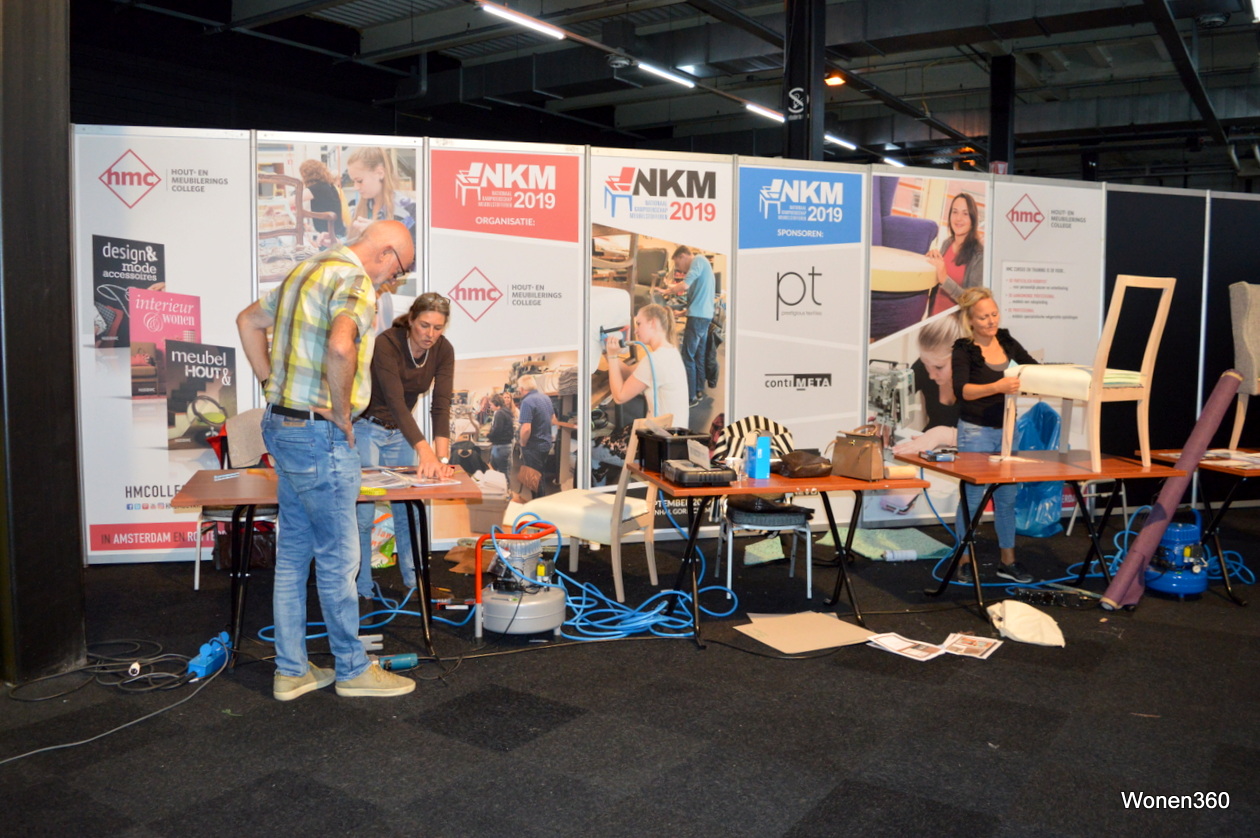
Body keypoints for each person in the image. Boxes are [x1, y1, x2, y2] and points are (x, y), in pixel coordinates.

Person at [236, 219, 417, 701]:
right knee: (340, 557)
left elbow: (247, 321)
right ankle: (352, 668)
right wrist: (340, 412)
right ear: (386, 253)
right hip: (319, 436)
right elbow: (341, 346)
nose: (392, 280)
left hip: (282, 426)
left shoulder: (306, 269)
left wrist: (270, 384)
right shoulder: (354, 280)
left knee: (294, 555)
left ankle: (291, 670)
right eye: (399, 270)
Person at [354, 292, 456, 599]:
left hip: (401, 433)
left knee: (409, 509)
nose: (430, 334)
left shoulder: (443, 350)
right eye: (424, 325)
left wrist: (441, 459)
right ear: (411, 320)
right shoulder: (386, 344)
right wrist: (425, 452)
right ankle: (361, 587)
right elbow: (397, 403)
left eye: (437, 327)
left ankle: (415, 581)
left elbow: (441, 406)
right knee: (363, 512)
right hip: (366, 428)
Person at [951, 287, 1038, 584]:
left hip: (1008, 432)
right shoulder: (963, 349)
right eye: (983, 317)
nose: (991, 321)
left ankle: (1008, 561)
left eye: (994, 314)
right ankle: (964, 560)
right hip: (975, 432)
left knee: (1007, 499)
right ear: (970, 320)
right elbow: (962, 390)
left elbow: (1032, 369)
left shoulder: (1007, 341)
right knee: (973, 500)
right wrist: (998, 386)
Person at [603, 303, 690, 425]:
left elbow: (619, 397)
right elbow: (628, 372)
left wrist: (612, 356)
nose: (636, 331)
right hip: (675, 430)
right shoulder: (670, 351)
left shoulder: (655, 360)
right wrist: (608, 352)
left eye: (639, 324)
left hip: (662, 434)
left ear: (652, 323)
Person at [893, 312, 963, 456]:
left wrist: (944, 435)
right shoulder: (922, 367)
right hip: (930, 445)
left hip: (973, 456)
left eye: (939, 367)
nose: (931, 375)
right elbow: (898, 394)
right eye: (926, 364)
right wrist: (886, 414)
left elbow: (999, 436)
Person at [664, 245, 715, 408]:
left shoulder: (698, 260)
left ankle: (690, 397)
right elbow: (699, 299)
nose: (680, 269)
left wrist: (668, 291)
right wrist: (682, 312)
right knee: (698, 355)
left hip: (698, 318)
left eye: (678, 264)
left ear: (683, 256)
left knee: (688, 356)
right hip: (703, 317)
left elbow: (685, 285)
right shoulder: (701, 265)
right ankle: (699, 390)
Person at [926, 192, 983, 312]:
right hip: (934, 318)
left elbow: (973, 303)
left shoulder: (979, 255)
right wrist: (932, 261)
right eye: (955, 212)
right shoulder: (947, 243)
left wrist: (944, 279)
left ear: (973, 219)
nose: (958, 218)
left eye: (965, 213)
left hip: (955, 323)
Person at [346, 147, 417, 235]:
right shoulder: (360, 208)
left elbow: (409, 243)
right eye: (353, 181)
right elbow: (354, 241)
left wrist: (379, 231)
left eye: (359, 181)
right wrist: (337, 242)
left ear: (380, 173)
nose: (355, 187)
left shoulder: (409, 210)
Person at [513, 373, 554, 503]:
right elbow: (553, 420)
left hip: (533, 446)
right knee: (539, 475)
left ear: (521, 388)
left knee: (534, 478)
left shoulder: (527, 401)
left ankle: (538, 504)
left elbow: (526, 429)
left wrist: (522, 443)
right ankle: (539, 503)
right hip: (545, 443)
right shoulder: (546, 398)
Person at [299, 158, 346, 246]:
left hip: (331, 238)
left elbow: (294, 199)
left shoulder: (317, 188)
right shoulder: (328, 186)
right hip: (338, 233)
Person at [487, 393, 515, 474]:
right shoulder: (506, 411)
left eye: (491, 405)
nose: (491, 407)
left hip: (500, 446)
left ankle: (505, 483)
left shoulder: (499, 413)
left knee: (502, 472)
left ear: (496, 403)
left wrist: (488, 435)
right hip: (505, 445)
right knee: (498, 469)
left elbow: (497, 431)